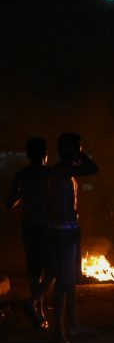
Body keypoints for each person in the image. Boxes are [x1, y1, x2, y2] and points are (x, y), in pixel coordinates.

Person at [48, 133, 99, 343]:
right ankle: (59, 332)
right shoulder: (62, 170)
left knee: (69, 283)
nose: (79, 152)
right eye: (76, 148)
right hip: (63, 232)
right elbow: (94, 169)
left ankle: (74, 324)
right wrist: (77, 153)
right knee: (63, 282)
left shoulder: (66, 171)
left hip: (69, 229)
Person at [6, 137, 53, 329]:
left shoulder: (22, 175)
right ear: (45, 154)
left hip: (29, 227)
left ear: (28, 155)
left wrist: (23, 192)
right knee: (51, 270)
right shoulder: (51, 174)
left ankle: (38, 313)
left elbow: (10, 203)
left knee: (35, 272)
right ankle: (34, 305)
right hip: (47, 227)